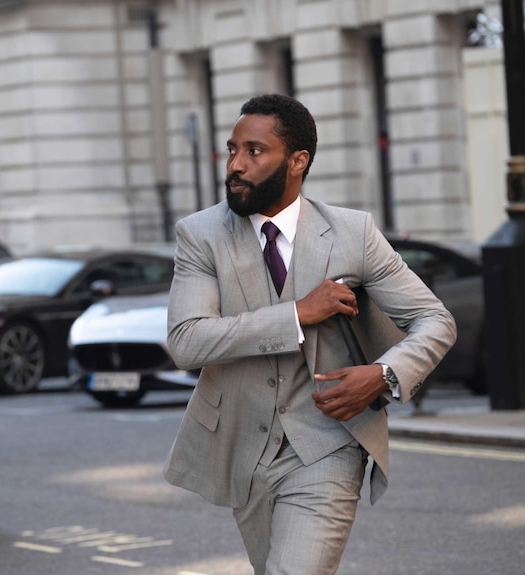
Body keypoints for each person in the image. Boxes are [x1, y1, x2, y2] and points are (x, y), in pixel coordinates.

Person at [163, 94, 457, 575]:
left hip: (328, 444)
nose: (236, 164)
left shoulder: (351, 232)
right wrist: (297, 313)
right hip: (243, 447)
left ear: (297, 161)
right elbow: (186, 341)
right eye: (232, 149)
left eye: (254, 151)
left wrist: (384, 375)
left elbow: (435, 320)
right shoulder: (201, 235)